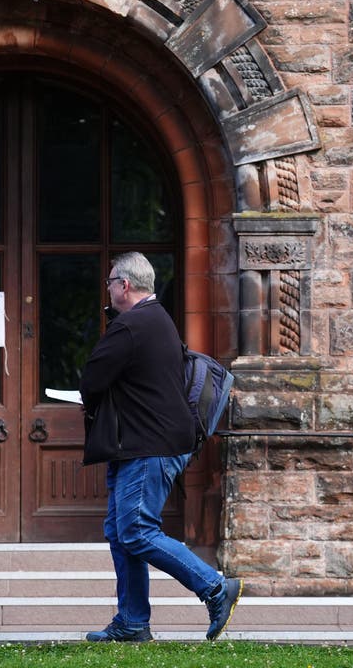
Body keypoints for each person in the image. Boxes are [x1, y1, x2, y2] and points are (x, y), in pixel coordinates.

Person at [79, 251, 242, 642]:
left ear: (124, 285)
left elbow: (92, 380)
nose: (108, 289)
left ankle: (215, 588)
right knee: (121, 532)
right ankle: (133, 622)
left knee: (136, 530)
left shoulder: (132, 325)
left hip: (146, 445)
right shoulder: (159, 320)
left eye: (110, 282)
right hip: (142, 443)